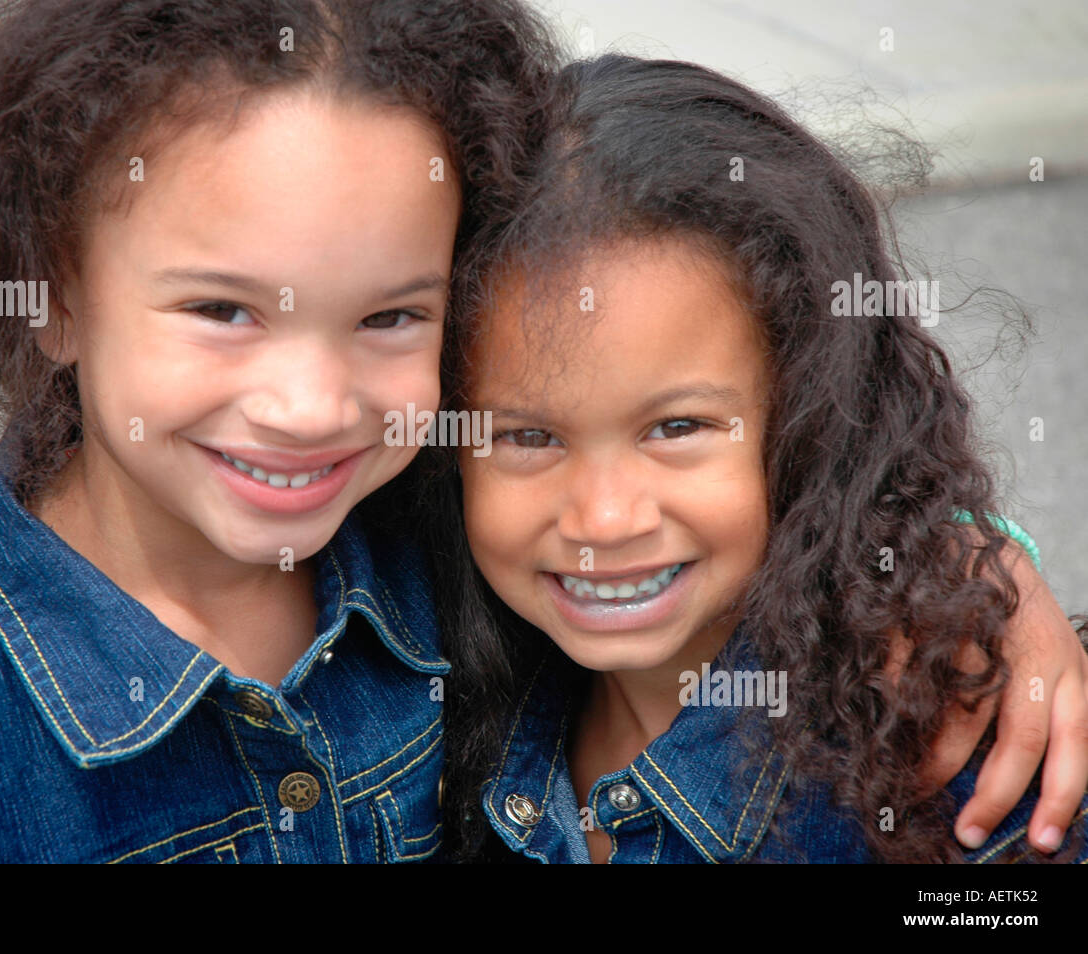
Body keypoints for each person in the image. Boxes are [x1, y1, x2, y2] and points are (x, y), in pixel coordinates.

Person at [0, 0, 557, 863]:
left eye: (390, 317)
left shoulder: (461, 568)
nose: (309, 408)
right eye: (222, 310)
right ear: (55, 297)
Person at [436, 56, 1088, 863]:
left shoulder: (955, 766)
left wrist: (970, 563)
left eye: (676, 428)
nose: (604, 518)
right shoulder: (424, 696)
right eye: (529, 438)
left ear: (810, 419)